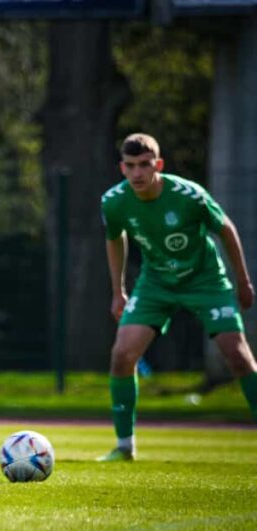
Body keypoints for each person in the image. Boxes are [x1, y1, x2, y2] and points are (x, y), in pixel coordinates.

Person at [98, 133, 257, 462]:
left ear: (158, 165)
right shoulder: (113, 202)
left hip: (205, 280)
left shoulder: (189, 195)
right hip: (156, 283)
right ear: (122, 168)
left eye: (145, 165)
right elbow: (114, 238)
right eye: (131, 166)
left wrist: (242, 281)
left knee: (238, 356)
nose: (138, 172)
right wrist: (117, 292)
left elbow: (225, 229)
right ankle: (124, 446)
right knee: (122, 355)